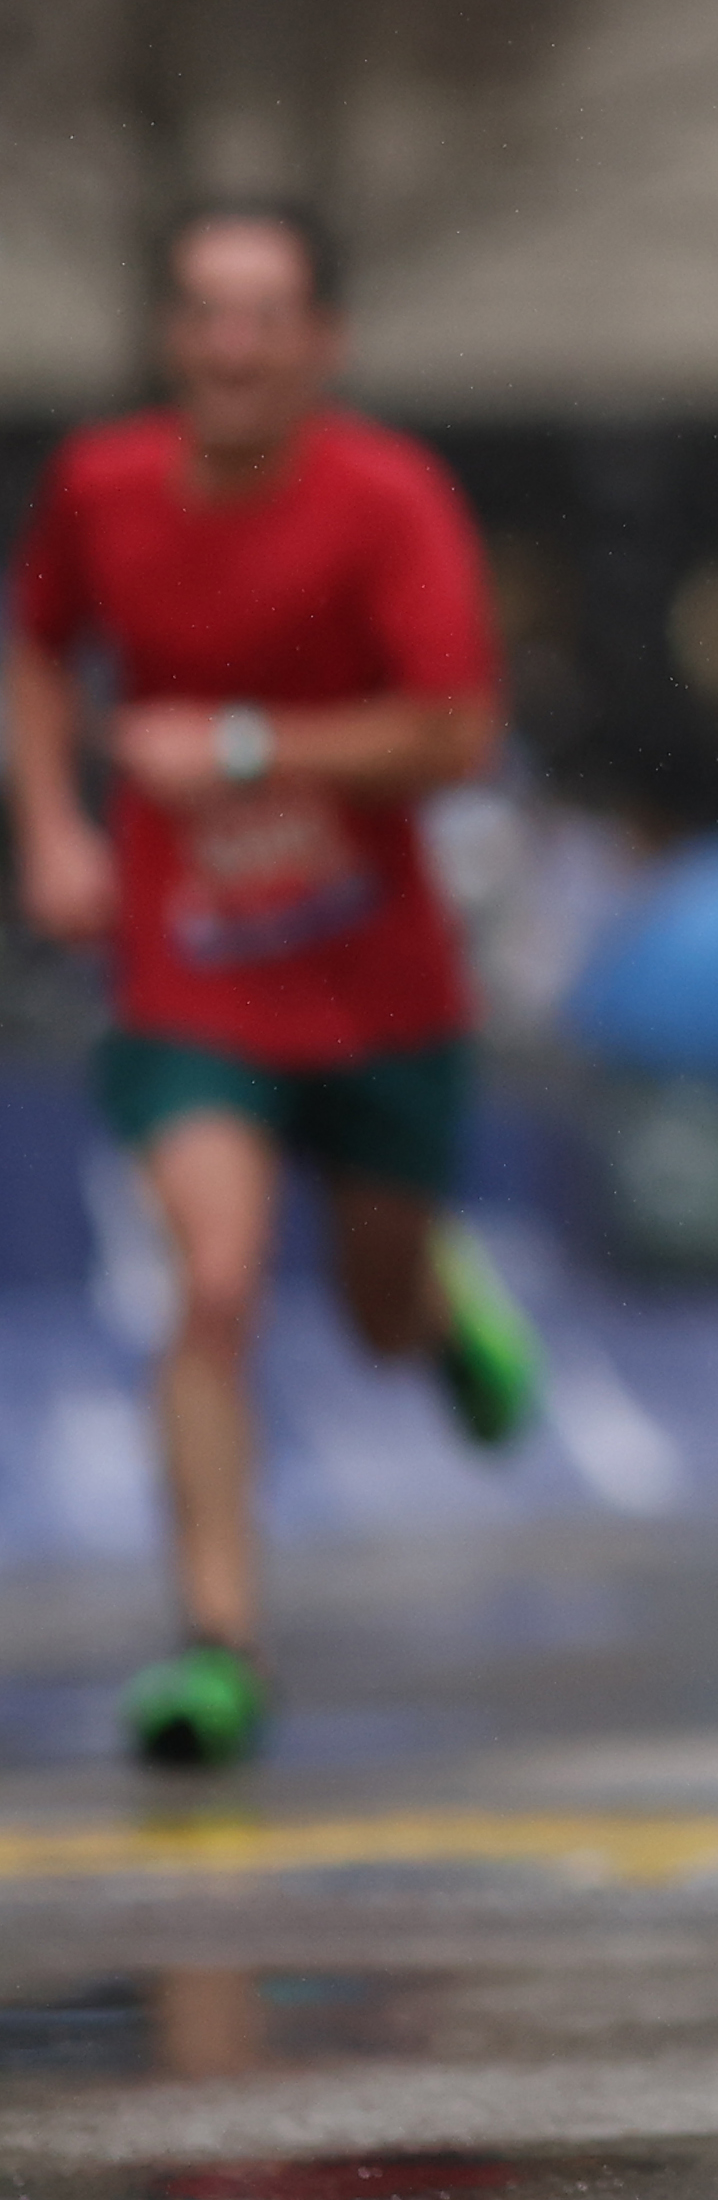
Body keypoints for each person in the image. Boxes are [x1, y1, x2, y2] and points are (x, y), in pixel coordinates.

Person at [9, 203, 540, 1767]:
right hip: (190, 980)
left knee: (374, 1309)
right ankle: (216, 1647)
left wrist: (243, 746)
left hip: (377, 984)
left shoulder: (388, 503)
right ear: (172, 336)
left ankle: (440, 1310)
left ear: (322, 345)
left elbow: (454, 729)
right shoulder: (99, 490)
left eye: (264, 317)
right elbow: (38, 649)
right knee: (218, 1281)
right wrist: (49, 823)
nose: (231, 346)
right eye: (204, 312)